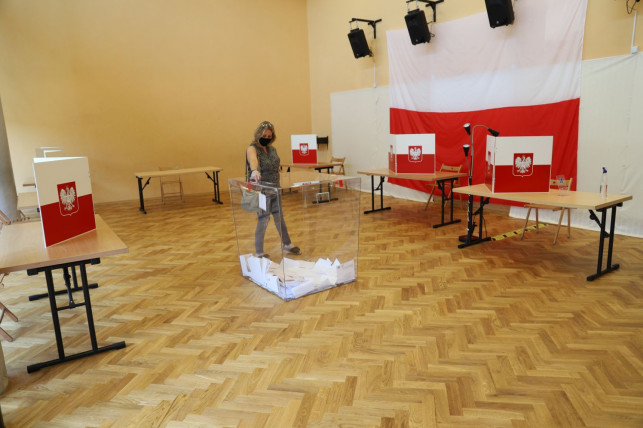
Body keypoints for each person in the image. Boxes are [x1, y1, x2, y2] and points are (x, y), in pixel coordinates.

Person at [246, 120, 300, 258]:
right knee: (263, 219)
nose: (267, 138)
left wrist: (278, 170)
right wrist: (254, 170)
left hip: (275, 188)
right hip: (262, 190)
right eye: (264, 136)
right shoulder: (252, 148)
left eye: (269, 136)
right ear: (258, 134)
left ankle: (287, 244)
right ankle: (259, 251)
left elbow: (274, 164)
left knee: (279, 217)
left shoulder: (272, 149)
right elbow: (253, 161)